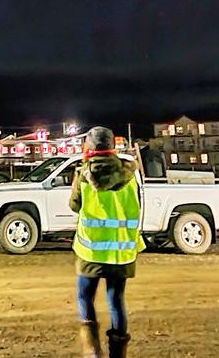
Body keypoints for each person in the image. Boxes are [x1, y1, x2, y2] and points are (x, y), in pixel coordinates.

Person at [69, 126, 143, 358]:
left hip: (91, 249)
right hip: (122, 251)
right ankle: (117, 355)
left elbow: (74, 206)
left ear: (89, 147)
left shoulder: (83, 174)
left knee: (84, 296)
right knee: (116, 299)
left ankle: (92, 351)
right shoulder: (130, 174)